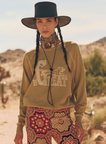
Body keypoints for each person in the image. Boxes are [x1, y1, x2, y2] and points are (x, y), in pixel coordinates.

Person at [14, 1, 87, 144]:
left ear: (56, 21)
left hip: (62, 114)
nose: (44, 25)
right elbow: (24, 92)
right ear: (36, 24)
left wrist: (79, 118)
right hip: (35, 116)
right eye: (39, 21)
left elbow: (80, 83)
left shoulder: (71, 49)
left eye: (49, 20)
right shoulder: (30, 56)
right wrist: (19, 127)